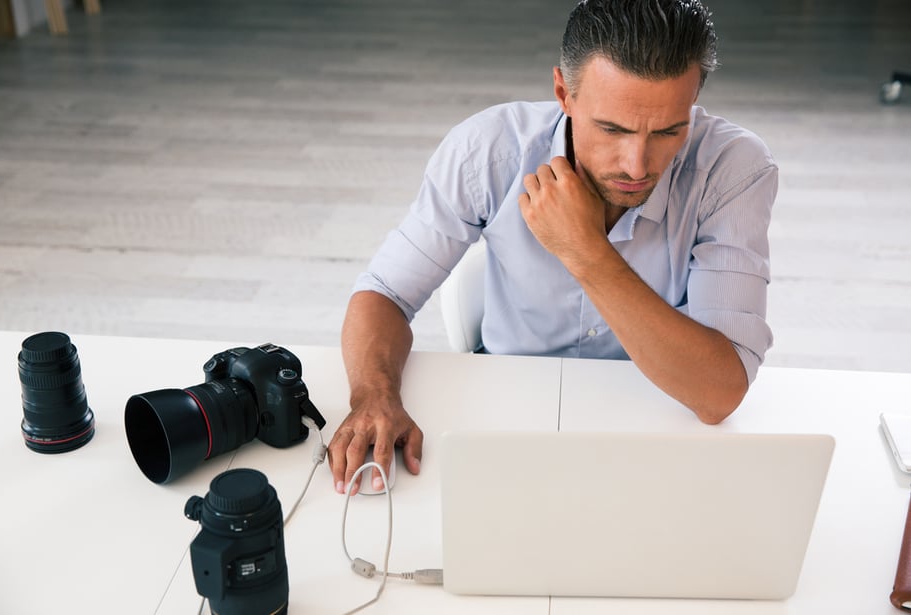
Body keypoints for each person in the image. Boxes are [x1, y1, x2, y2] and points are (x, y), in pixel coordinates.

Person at [328, 0, 777, 494]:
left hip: (660, 413)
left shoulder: (733, 169)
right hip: (506, 410)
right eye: (612, 129)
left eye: (669, 130)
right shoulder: (488, 150)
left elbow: (718, 394)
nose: (637, 164)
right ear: (564, 91)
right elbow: (386, 292)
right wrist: (373, 395)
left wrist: (585, 250)